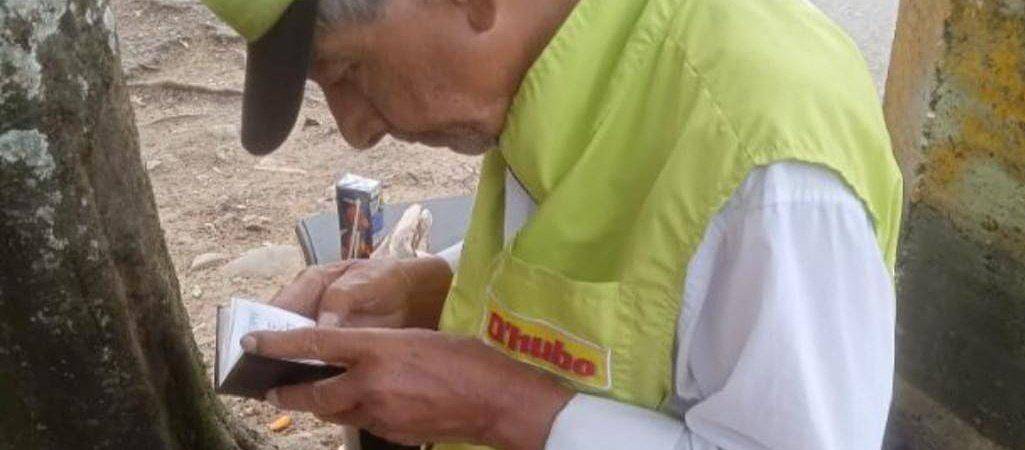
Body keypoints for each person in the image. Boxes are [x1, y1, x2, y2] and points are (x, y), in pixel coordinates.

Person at [201, 0, 903, 448]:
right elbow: (638, 278)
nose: (354, 130)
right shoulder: (555, 59)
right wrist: (428, 286)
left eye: (349, 69)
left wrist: (501, 408)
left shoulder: (769, 174)